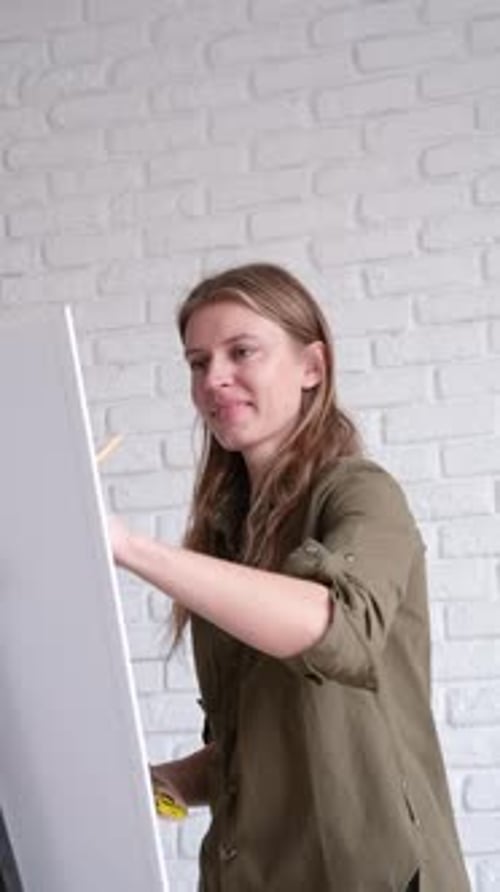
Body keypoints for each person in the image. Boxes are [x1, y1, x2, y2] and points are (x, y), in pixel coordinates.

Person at [109, 263, 470, 892]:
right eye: (198, 363)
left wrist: (130, 548)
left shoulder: (361, 493)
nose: (214, 378)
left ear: (312, 367)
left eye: (240, 351)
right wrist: (160, 785)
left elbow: (342, 631)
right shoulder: (228, 534)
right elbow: (257, 744)